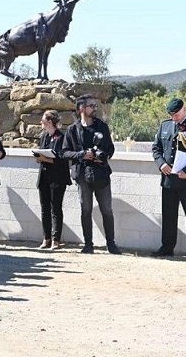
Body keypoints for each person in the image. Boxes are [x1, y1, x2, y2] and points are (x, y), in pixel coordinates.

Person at [61, 94, 121, 255]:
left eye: (95, 105)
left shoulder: (102, 126)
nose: (95, 108)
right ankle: (88, 245)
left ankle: (111, 244)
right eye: (91, 106)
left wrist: (102, 156)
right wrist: (81, 155)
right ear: (81, 109)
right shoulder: (72, 129)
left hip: (101, 173)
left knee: (107, 210)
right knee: (85, 210)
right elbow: (65, 152)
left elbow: (111, 149)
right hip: (82, 174)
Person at [151, 98, 186, 259]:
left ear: (184, 109)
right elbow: (156, 148)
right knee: (168, 215)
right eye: (171, 115)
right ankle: (167, 248)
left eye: (176, 114)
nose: (173, 118)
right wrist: (161, 164)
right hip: (169, 179)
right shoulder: (165, 125)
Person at [34, 110, 71, 249]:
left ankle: (56, 239)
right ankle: (46, 238)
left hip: (58, 177)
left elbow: (62, 158)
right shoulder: (44, 136)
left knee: (56, 208)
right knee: (44, 208)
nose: (41, 122)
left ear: (49, 122)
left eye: (43, 120)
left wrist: (46, 159)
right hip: (44, 176)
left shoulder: (61, 137)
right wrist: (40, 158)